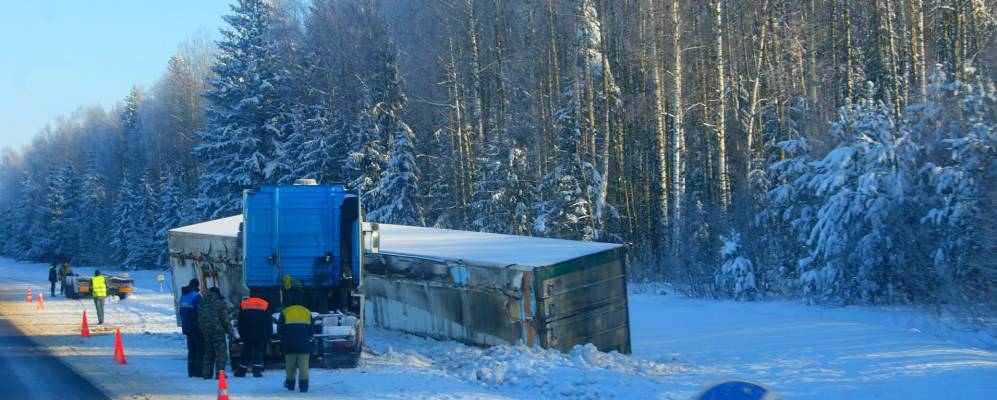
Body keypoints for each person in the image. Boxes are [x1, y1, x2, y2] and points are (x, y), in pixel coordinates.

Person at [197, 287, 235, 380]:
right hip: (217, 331)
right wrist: (230, 332)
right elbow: (225, 320)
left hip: (205, 331)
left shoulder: (202, 302)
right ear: (217, 293)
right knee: (221, 353)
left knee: (208, 352)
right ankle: (219, 374)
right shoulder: (218, 303)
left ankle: (207, 374)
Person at [278, 297, 312, 393]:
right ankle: (303, 386)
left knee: (290, 367)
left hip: (289, 344)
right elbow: (311, 330)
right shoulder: (306, 311)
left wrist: (283, 337)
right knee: (303, 367)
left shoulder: (285, 312)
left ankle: (290, 384)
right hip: (304, 344)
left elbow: (280, 329)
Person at [235, 296, 270, 378]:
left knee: (246, 352)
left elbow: (240, 322)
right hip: (261, 334)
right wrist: (268, 334)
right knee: (259, 353)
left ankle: (241, 372)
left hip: (248, 333)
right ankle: (257, 372)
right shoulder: (264, 304)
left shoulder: (244, 304)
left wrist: (241, 334)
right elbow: (268, 321)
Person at [178, 279, 204, 378]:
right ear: (197, 286)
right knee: (199, 349)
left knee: (191, 349)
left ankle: (191, 371)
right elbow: (201, 312)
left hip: (186, 327)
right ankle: (198, 371)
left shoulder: (182, 296)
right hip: (196, 327)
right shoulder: (196, 296)